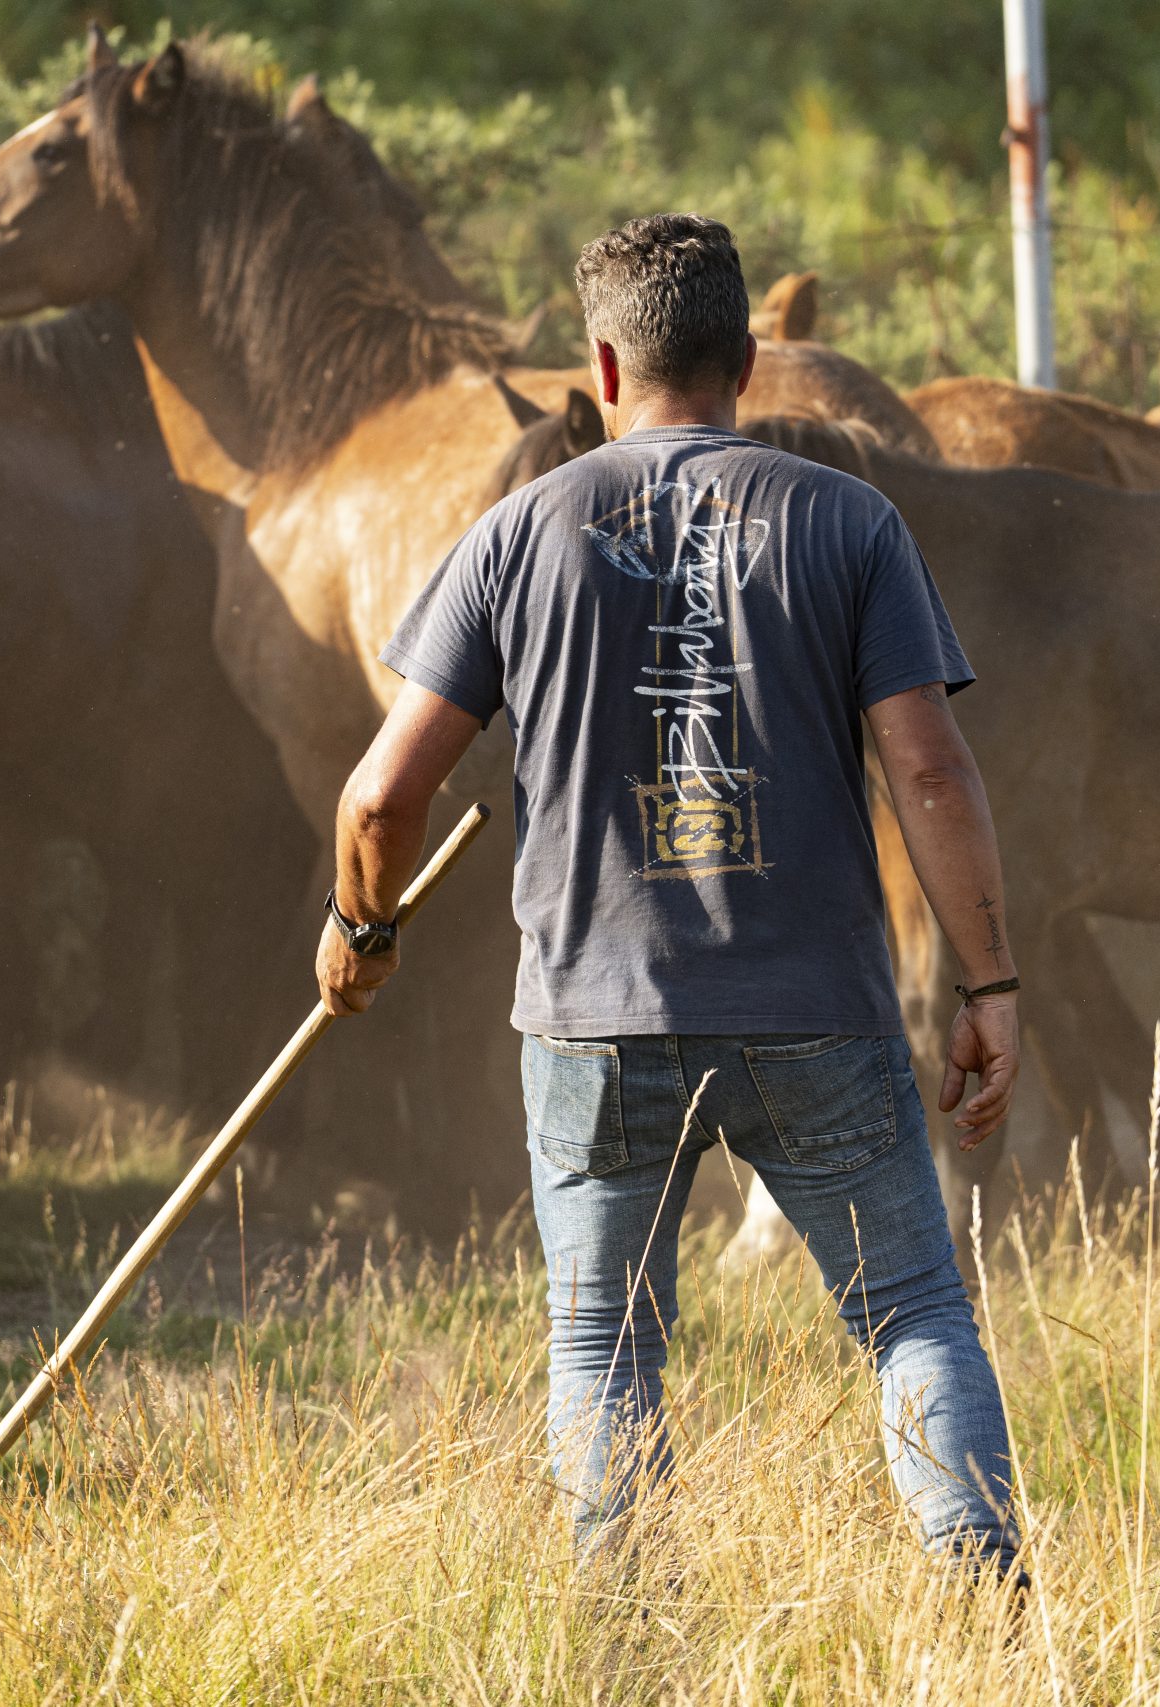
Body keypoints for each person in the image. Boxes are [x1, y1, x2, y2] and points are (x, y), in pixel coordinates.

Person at [315, 213, 1023, 1576]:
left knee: (602, 1338)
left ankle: (624, 1627)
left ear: (598, 365)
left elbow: (377, 799)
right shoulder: (850, 521)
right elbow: (931, 777)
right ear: (749, 361)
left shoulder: (519, 530)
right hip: (819, 1010)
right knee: (917, 1311)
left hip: (596, 1021)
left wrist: (363, 928)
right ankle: (984, 1585)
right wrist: (989, 985)